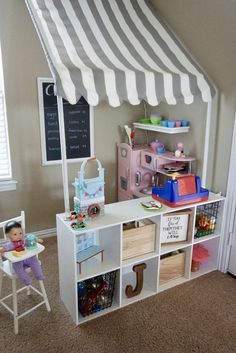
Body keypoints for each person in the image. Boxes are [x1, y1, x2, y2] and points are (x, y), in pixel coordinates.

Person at [0, 220, 44, 285]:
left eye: (20, 233)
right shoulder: (9, 245)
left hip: (28, 258)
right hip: (18, 261)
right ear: (8, 236)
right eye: (15, 234)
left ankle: (39, 275)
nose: (18, 236)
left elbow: (30, 240)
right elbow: (3, 249)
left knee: (35, 261)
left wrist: (36, 239)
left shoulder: (24, 240)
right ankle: (26, 279)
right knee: (17, 269)